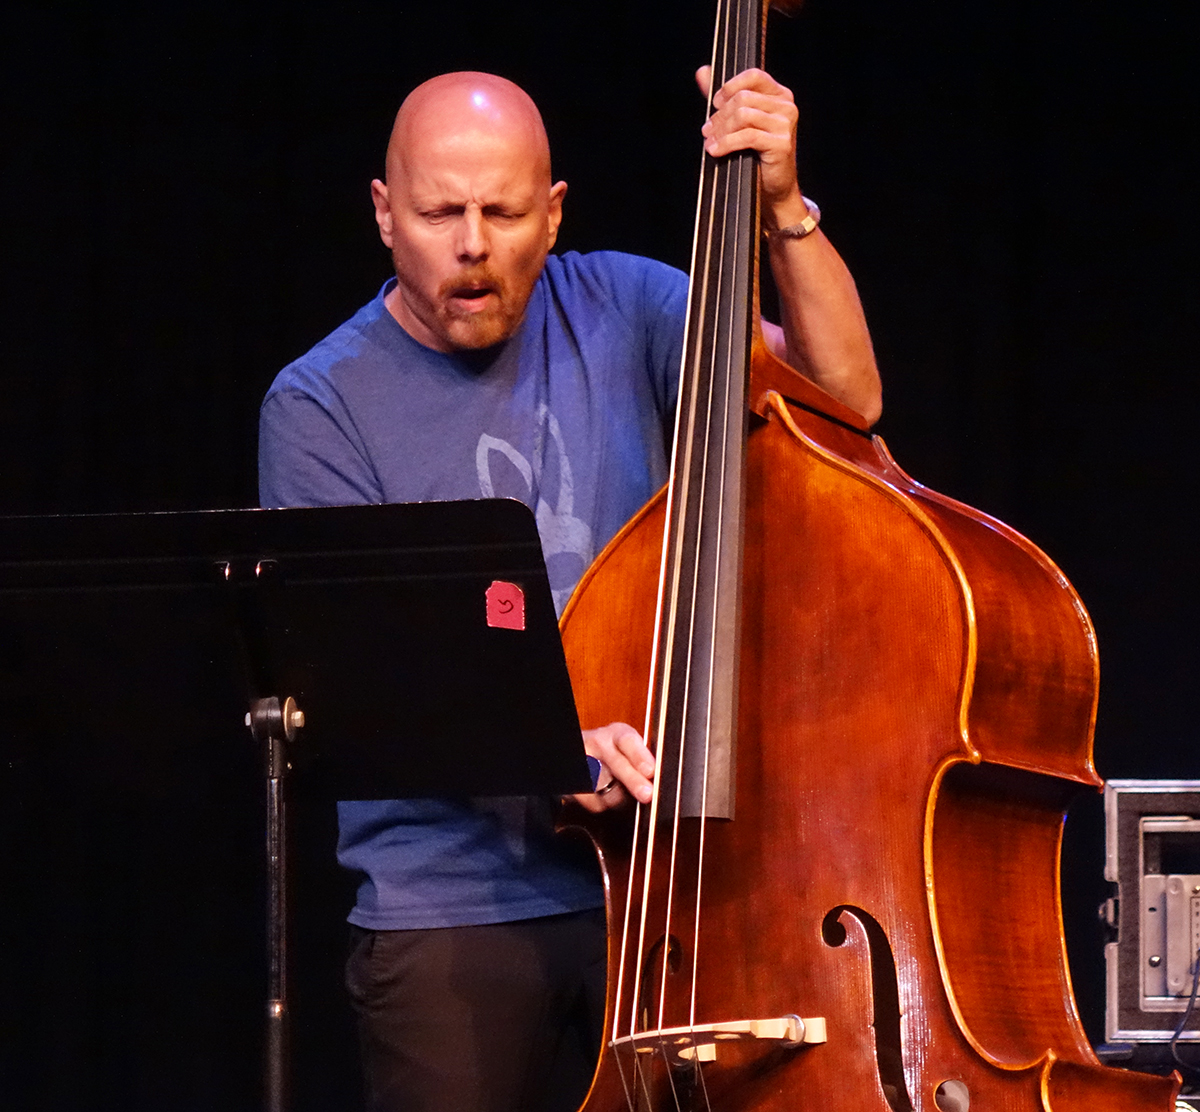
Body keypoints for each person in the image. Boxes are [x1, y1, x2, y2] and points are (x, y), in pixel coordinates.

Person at [259, 65, 880, 1112]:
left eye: (501, 213)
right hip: (452, 907)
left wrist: (783, 211)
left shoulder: (631, 307)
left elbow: (845, 398)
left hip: (667, 886)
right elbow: (366, 682)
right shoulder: (321, 405)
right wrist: (550, 748)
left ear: (551, 216)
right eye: (438, 211)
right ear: (381, 213)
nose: (470, 246)